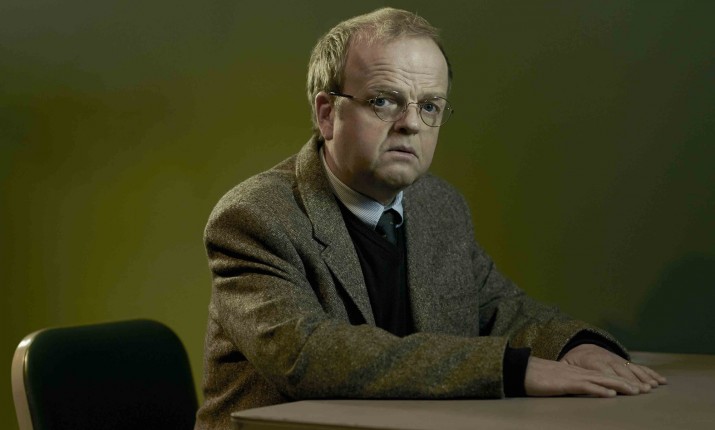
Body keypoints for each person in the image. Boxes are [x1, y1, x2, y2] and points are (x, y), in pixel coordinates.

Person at [195, 7, 666, 430]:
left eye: (429, 106)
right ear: (326, 114)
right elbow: (307, 356)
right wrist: (510, 369)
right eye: (384, 100)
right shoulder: (254, 217)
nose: (411, 123)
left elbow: (499, 308)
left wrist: (573, 346)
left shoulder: (439, 205)